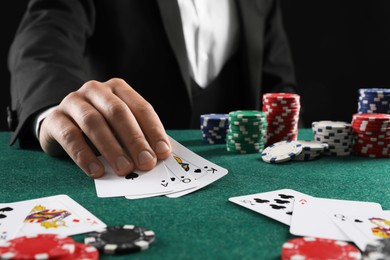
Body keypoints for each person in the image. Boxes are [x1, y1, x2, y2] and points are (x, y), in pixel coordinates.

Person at [8, 0, 297, 178]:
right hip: (124, 168)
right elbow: (44, 42)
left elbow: (279, 85)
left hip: (240, 177)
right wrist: (55, 111)